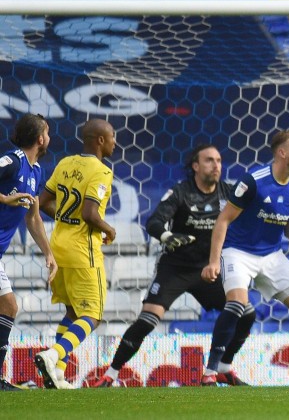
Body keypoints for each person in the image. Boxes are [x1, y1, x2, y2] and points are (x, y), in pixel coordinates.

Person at [91, 144, 256, 388]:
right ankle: (111, 374)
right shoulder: (180, 192)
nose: (216, 165)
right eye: (209, 160)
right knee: (148, 319)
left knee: (247, 314)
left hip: (209, 270)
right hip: (176, 268)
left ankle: (224, 367)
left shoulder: (228, 193)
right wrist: (167, 237)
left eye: (219, 160)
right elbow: (154, 221)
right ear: (196, 166)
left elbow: (254, 214)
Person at [200, 130, 289, 386]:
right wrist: (214, 261)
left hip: (271, 254)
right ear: (282, 152)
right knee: (236, 305)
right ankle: (211, 371)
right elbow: (223, 220)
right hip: (238, 251)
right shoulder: (254, 181)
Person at [34, 118, 117, 390]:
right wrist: (109, 229)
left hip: (58, 247)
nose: (116, 142)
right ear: (101, 140)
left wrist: (66, 220)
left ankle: (57, 374)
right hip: (83, 251)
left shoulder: (65, 163)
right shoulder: (102, 171)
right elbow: (90, 214)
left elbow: (42, 202)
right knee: (92, 315)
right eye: (113, 136)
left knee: (72, 311)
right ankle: (53, 354)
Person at [0, 114, 58, 391]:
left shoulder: (35, 173)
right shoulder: (12, 161)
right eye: (47, 132)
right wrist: (4, 198)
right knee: (8, 305)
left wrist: (48, 253)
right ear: (40, 138)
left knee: (8, 307)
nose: (49, 137)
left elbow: (33, 217)